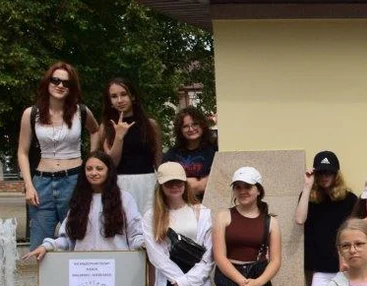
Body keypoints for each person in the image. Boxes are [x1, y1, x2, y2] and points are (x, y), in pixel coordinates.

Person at [17, 62, 101, 250]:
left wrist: (91, 159)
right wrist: (29, 186)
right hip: (41, 184)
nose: (60, 85)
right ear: (47, 82)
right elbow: (22, 152)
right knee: (39, 245)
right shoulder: (31, 114)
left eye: (66, 83)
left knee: (76, 241)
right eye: (56, 80)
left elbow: (95, 130)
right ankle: (46, 281)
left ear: (72, 88)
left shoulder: (81, 112)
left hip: (73, 180)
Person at [24, 151, 145, 259]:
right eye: (89, 169)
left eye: (99, 168)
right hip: (84, 268)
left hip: (116, 265)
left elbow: (135, 234)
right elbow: (67, 238)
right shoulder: (79, 201)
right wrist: (47, 246)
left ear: (109, 171)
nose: (93, 173)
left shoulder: (125, 199)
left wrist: (143, 244)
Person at [294, 151, 358, 286]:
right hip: (321, 272)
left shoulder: (350, 199)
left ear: (336, 173)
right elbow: (299, 219)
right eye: (321, 173)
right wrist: (306, 186)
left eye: (328, 172)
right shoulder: (310, 198)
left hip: (348, 272)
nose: (324, 177)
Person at [97, 78, 162, 219]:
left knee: (149, 226)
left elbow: (158, 160)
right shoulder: (106, 128)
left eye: (124, 94)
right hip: (120, 183)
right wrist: (119, 137)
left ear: (132, 96)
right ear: (110, 101)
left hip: (148, 184)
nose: (120, 100)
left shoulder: (150, 125)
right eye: (114, 96)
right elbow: (111, 163)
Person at [161, 106, 217, 201]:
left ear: (202, 125)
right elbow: (166, 183)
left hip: (208, 203)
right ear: (180, 130)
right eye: (185, 126)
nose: (191, 129)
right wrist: (200, 183)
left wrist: (188, 183)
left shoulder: (214, 151)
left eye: (195, 124)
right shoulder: (172, 154)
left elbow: (218, 181)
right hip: (181, 203)